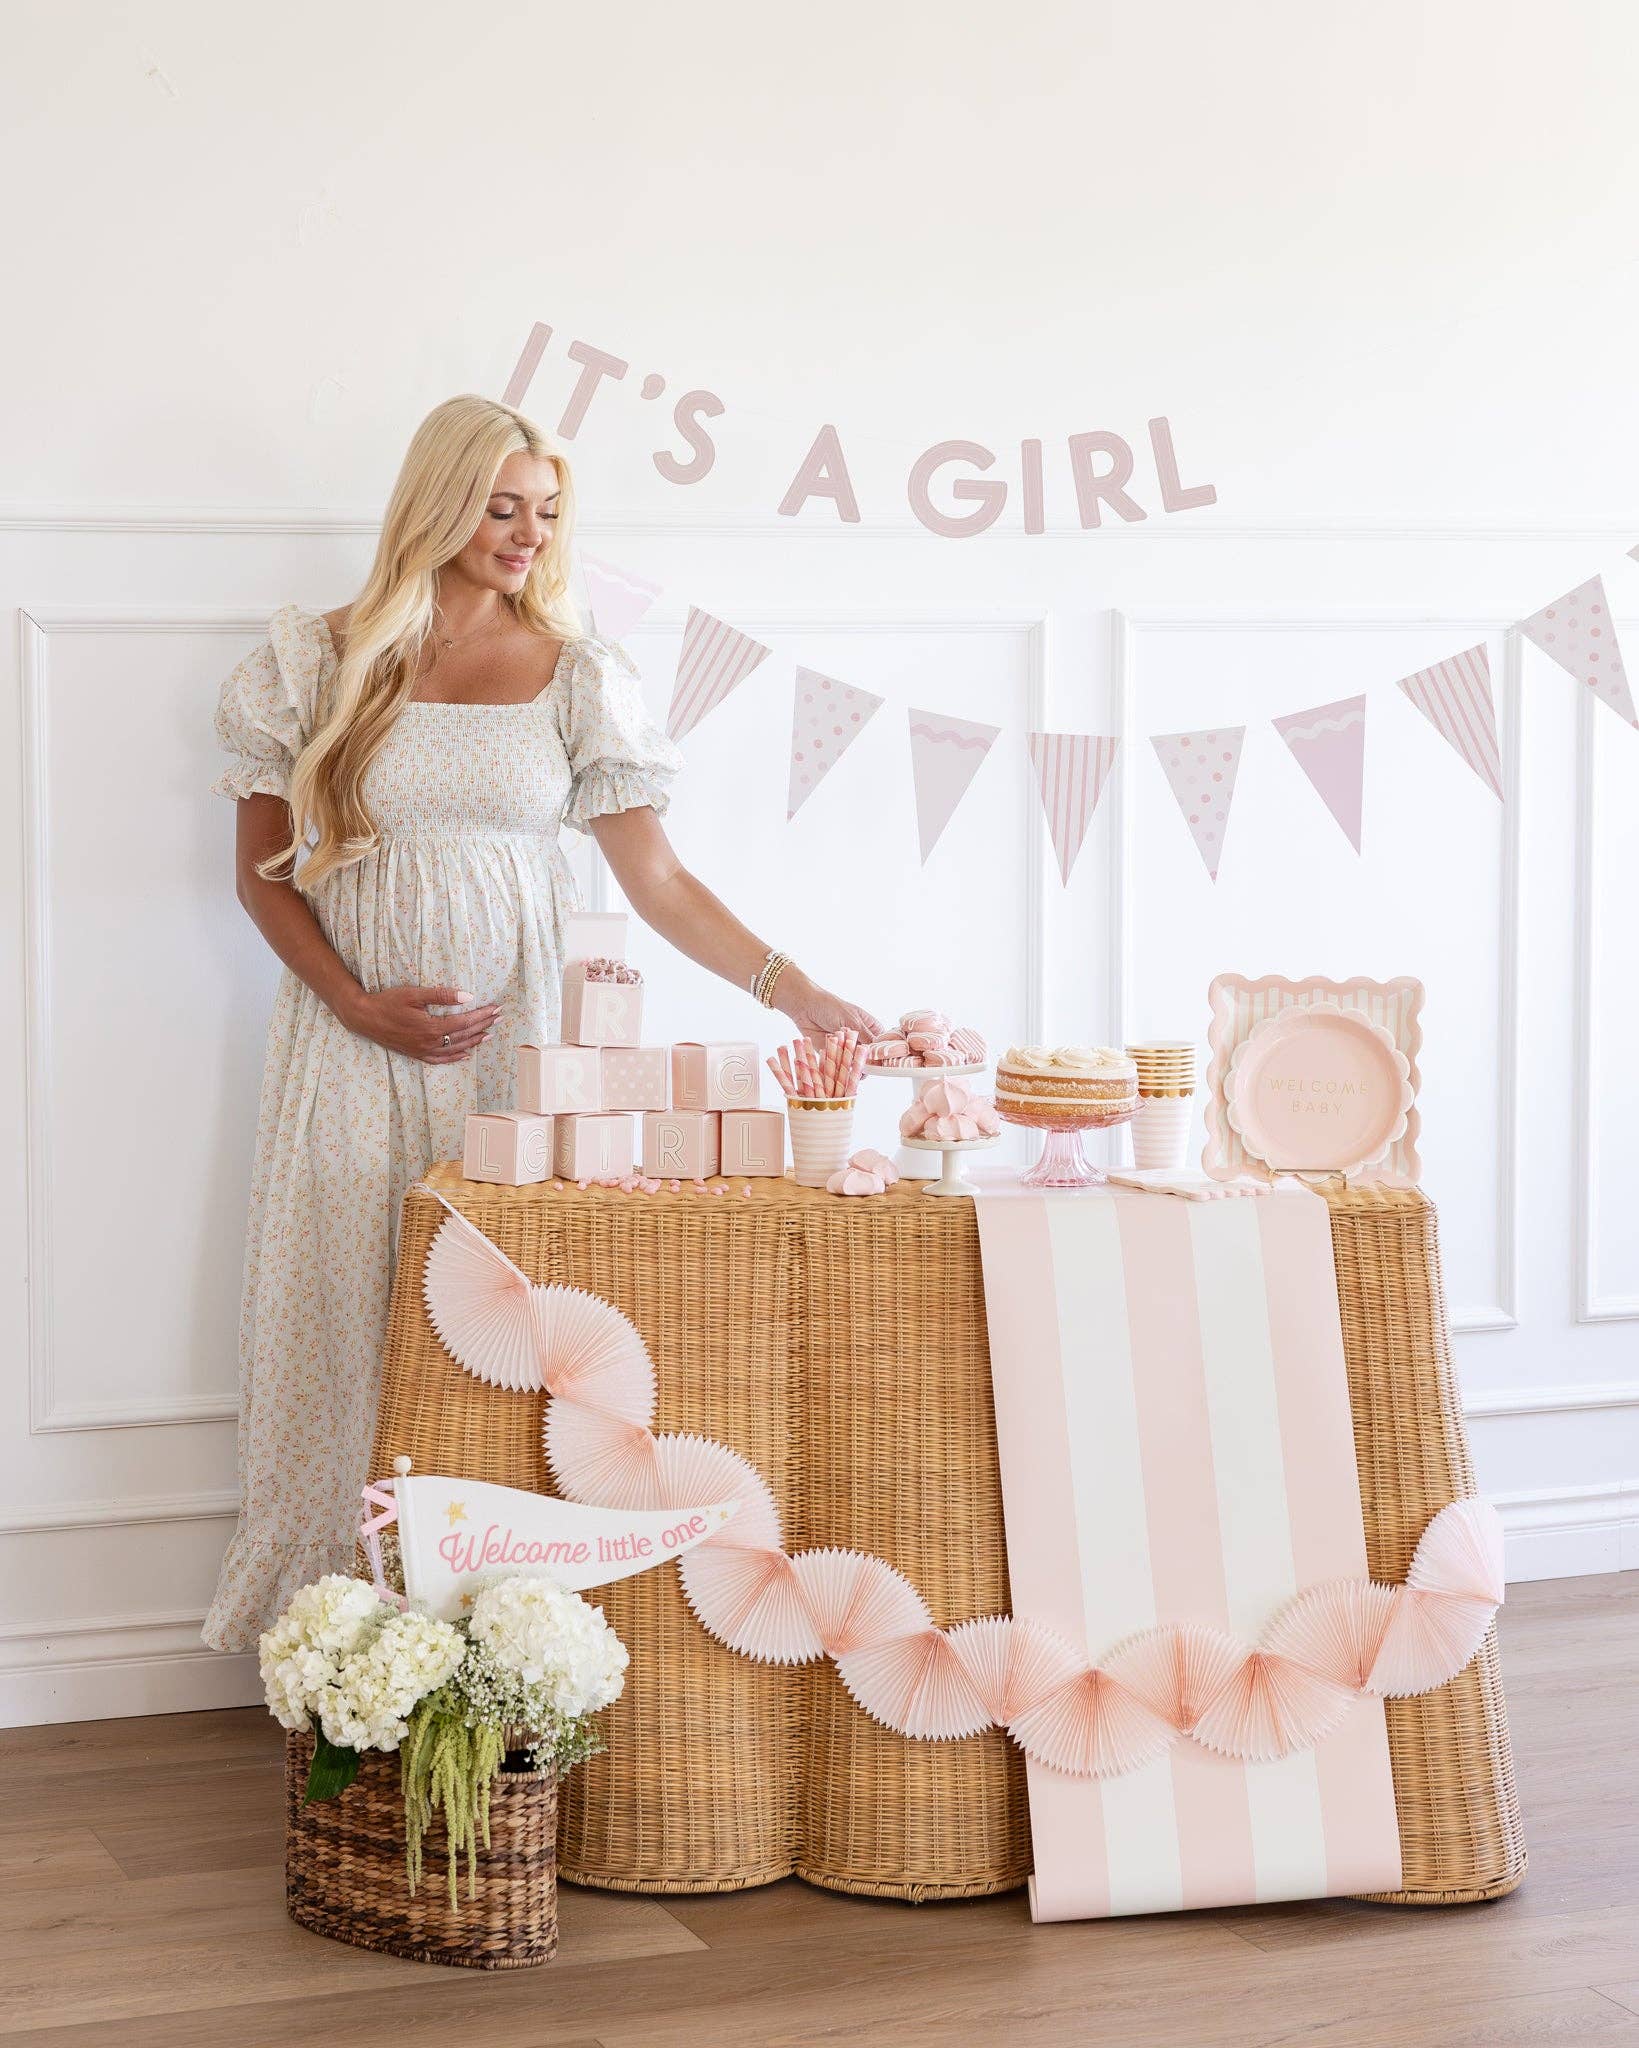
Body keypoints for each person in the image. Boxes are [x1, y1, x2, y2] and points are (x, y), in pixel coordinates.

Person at [202, 393, 878, 1651]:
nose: (529, 534)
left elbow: (658, 881)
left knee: (512, 1330)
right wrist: (355, 1001)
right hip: (347, 1049)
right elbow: (261, 874)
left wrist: (797, 988)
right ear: (438, 503)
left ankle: (506, 1644)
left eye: (549, 512)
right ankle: (342, 1646)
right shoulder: (317, 661)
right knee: (343, 1319)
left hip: (519, 1064)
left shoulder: (576, 672)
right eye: (502, 507)